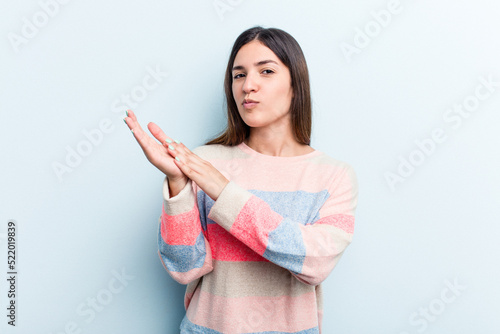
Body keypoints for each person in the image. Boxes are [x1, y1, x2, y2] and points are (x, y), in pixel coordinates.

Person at [124, 26, 358, 334]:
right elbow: (185, 267)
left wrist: (223, 190)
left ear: (295, 86)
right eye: (239, 75)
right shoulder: (204, 162)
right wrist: (178, 186)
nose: (248, 85)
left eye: (266, 71)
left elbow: (313, 262)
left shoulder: (334, 175)